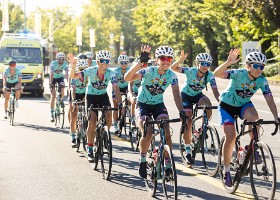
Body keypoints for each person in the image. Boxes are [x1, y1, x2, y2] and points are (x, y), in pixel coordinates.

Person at [213, 49, 279, 187]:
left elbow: (270, 99)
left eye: (262, 67)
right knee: (231, 136)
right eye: (256, 66)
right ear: (248, 66)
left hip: (243, 105)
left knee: (255, 118)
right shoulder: (239, 74)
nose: (259, 69)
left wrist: (275, 116)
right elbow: (216, 74)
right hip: (226, 106)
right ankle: (226, 171)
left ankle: (253, 146)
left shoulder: (262, 80)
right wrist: (228, 62)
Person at [124, 45, 184, 178]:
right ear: (157, 60)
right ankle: (143, 159)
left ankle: (167, 163)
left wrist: (182, 111)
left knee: (166, 131)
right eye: (163, 58)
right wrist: (140, 62)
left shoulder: (172, 75)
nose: (166, 61)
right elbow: (128, 78)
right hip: (142, 105)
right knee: (148, 131)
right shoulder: (149, 70)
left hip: (158, 105)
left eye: (169, 58)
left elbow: (176, 95)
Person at [69, 50, 123, 162]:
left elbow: (116, 88)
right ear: (97, 62)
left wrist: (120, 103)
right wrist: (73, 66)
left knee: (109, 114)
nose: (105, 64)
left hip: (103, 96)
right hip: (91, 97)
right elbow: (73, 76)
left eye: (107, 62)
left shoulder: (111, 73)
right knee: (92, 121)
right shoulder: (90, 70)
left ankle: (104, 134)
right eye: (102, 61)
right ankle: (89, 148)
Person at [171, 51, 220, 166]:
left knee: (208, 104)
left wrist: (221, 103)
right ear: (197, 63)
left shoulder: (210, 75)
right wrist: (180, 60)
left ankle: (202, 130)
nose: (205, 66)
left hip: (198, 95)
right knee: (188, 121)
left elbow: (216, 91)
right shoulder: (191, 71)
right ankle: (188, 151)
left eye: (207, 64)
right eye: (202, 63)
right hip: (186, 96)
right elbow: (174, 68)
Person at [68, 56, 88, 147]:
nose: (82, 71)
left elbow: (89, 88)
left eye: (84, 69)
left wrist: (86, 99)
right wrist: (74, 101)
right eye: (80, 69)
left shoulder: (89, 76)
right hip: (75, 94)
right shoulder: (75, 76)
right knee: (74, 113)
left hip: (85, 94)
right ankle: (73, 135)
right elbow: (73, 89)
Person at [112, 55, 130, 132]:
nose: (124, 64)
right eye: (122, 63)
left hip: (126, 87)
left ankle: (127, 111)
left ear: (128, 63)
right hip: (117, 88)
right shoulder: (115, 71)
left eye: (125, 63)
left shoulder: (130, 70)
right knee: (115, 105)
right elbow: (114, 85)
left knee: (130, 100)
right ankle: (115, 123)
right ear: (119, 63)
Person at [49, 52, 69, 122]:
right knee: (53, 96)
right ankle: (52, 113)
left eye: (62, 59)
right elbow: (51, 73)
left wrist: (68, 83)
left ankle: (60, 99)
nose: (61, 61)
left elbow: (67, 73)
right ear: (57, 59)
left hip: (60, 78)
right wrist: (51, 83)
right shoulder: (53, 63)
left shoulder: (65, 64)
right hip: (53, 78)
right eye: (59, 59)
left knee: (63, 86)